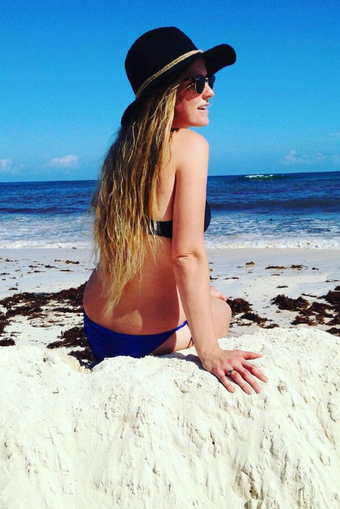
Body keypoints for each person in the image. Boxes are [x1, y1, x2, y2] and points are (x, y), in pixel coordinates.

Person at [82, 27, 268, 394]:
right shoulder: (190, 146)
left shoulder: (121, 154)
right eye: (197, 83)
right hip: (144, 340)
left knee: (206, 293)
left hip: (96, 325)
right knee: (223, 311)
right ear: (166, 92)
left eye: (209, 79)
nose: (210, 92)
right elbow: (185, 254)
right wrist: (210, 351)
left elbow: (139, 253)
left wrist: (194, 293)